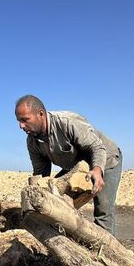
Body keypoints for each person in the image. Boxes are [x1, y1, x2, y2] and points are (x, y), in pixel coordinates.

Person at [15, 95, 122, 236]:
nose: (21, 126)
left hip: (106, 160)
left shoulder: (67, 122)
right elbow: (41, 174)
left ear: (40, 114)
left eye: (25, 120)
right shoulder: (33, 142)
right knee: (55, 202)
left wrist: (97, 170)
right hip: (77, 167)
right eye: (19, 121)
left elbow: (96, 147)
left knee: (103, 212)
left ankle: (107, 254)